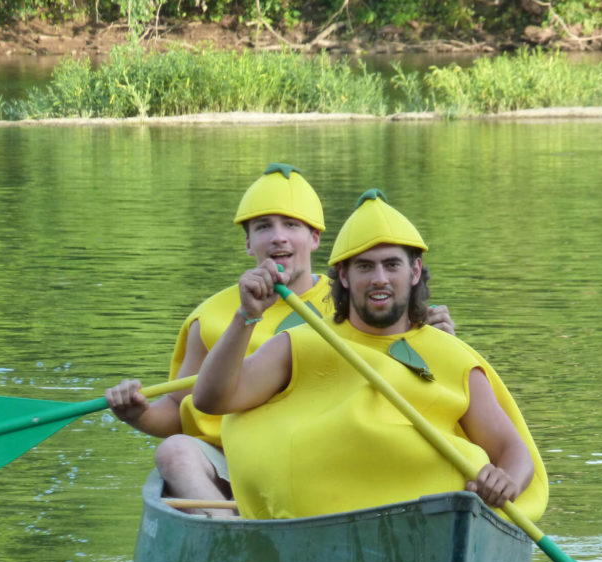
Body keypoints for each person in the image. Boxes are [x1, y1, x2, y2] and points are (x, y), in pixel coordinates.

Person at [104, 164, 455, 517]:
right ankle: (229, 528)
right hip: (229, 459)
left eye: (291, 225)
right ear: (247, 242)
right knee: (175, 451)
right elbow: (183, 410)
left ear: (315, 237)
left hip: (323, 452)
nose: (278, 237)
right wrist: (140, 415)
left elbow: (402, 375)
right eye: (263, 227)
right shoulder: (209, 317)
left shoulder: (359, 304)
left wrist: (443, 347)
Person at [193, 189, 548, 522]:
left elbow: (513, 452)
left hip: (433, 525)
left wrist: (508, 482)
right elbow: (211, 399)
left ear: (415, 271)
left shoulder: (450, 355)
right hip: (324, 527)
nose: (379, 278)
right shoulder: (301, 343)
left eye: (392, 265)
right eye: (365, 266)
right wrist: (246, 316)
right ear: (344, 276)